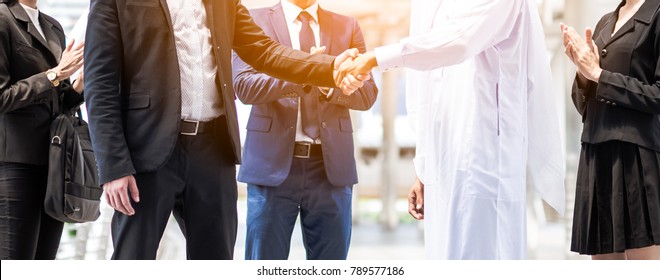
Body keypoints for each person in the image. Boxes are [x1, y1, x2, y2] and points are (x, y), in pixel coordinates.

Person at [84, 0, 362, 260]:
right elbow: (100, 82)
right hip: (147, 152)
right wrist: (113, 166)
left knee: (216, 260)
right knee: (133, 259)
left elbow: (264, 51)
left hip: (213, 152)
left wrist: (330, 66)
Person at [336, 0, 565, 259]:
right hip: (441, 163)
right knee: (444, 253)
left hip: (485, 157)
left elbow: (459, 41)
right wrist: (423, 168)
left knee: (483, 252)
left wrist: (375, 58)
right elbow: (423, 88)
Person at [232, 0, 378, 260]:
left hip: (330, 168)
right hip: (271, 166)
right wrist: (310, 71)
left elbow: (367, 94)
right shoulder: (252, 20)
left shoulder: (347, 25)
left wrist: (328, 85)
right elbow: (244, 86)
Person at [561, 0, 660, 260]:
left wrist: (599, 74)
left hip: (636, 158)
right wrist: (583, 72)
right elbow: (584, 104)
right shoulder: (605, 22)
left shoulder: (657, 13)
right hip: (596, 154)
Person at [0, 0, 84, 259]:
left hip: (53, 166)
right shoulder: (3, 18)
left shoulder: (53, 26)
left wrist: (79, 86)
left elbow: (58, 102)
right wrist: (54, 74)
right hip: (13, 165)